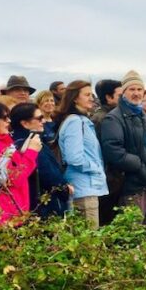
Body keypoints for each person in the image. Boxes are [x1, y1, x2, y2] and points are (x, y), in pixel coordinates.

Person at [101, 71, 146, 235]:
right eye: (132, 89)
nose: (137, 93)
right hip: (132, 182)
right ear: (123, 92)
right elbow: (114, 152)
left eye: (139, 89)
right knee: (132, 228)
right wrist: (140, 166)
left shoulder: (141, 115)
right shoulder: (114, 118)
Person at [0, 101, 41, 225]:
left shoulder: (0, 143)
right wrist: (32, 151)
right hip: (5, 216)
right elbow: (15, 178)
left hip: (10, 213)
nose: (8, 121)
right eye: (4, 118)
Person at [55, 80, 109, 229]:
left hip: (86, 186)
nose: (91, 98)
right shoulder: (75, 122)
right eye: (86, 95)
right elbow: (74, 158)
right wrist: (96, 167)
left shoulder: (82, 121)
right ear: (74, 98)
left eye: (91, 94)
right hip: (83, 188)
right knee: (89, 240)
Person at [10, 103, 72, 219]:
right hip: (45, 205)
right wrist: (64, 189)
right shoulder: (33, 144)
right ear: (25, 123)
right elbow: (48, 174)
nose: (43, 121)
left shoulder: (14, 142)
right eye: (39, 118)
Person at [90, 78, 123, 225]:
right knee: (107, 217)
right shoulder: (103, 119)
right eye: (120, 95)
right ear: (109, 98)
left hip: (113, 177)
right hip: (109, 178)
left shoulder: (113, 115)